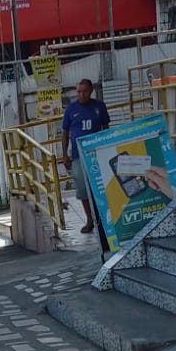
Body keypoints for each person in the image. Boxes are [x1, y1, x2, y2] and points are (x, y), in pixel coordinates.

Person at [61, 79, 112, 252]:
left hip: (97, 153)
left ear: (90, 91)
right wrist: (65, 153)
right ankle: (89, 220)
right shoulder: (71, 110)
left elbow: (106, 127)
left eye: (84, 91)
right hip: (77, 156)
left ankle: (105, 218)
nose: (81, 94)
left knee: (102, 186)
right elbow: (65, 132)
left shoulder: (99, 106)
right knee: (82, 190)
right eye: (78, 91)